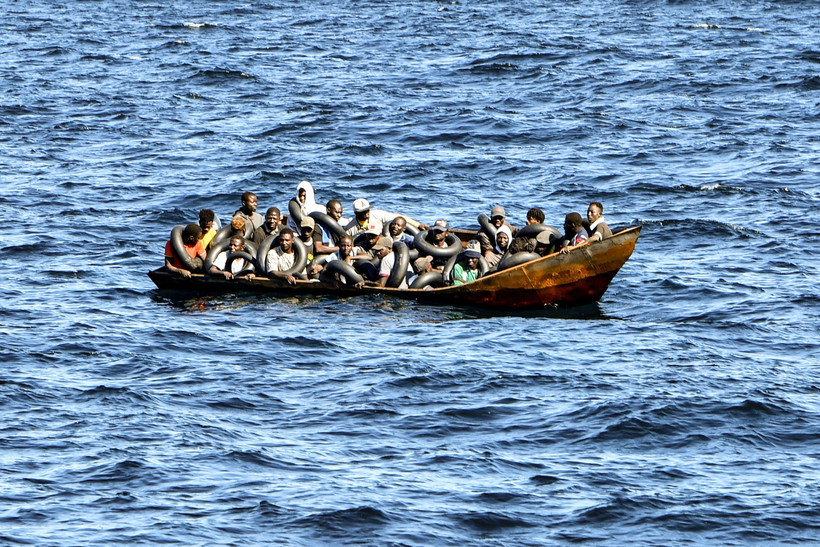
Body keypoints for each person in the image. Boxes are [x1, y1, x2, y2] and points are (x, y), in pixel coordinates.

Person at [344, 198, 427, 236]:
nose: (367, 213)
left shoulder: (377, 214)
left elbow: (398, 217)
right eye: (363, 211)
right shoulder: (350, 227)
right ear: (356, 213)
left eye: (368, 210)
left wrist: (418, 225)